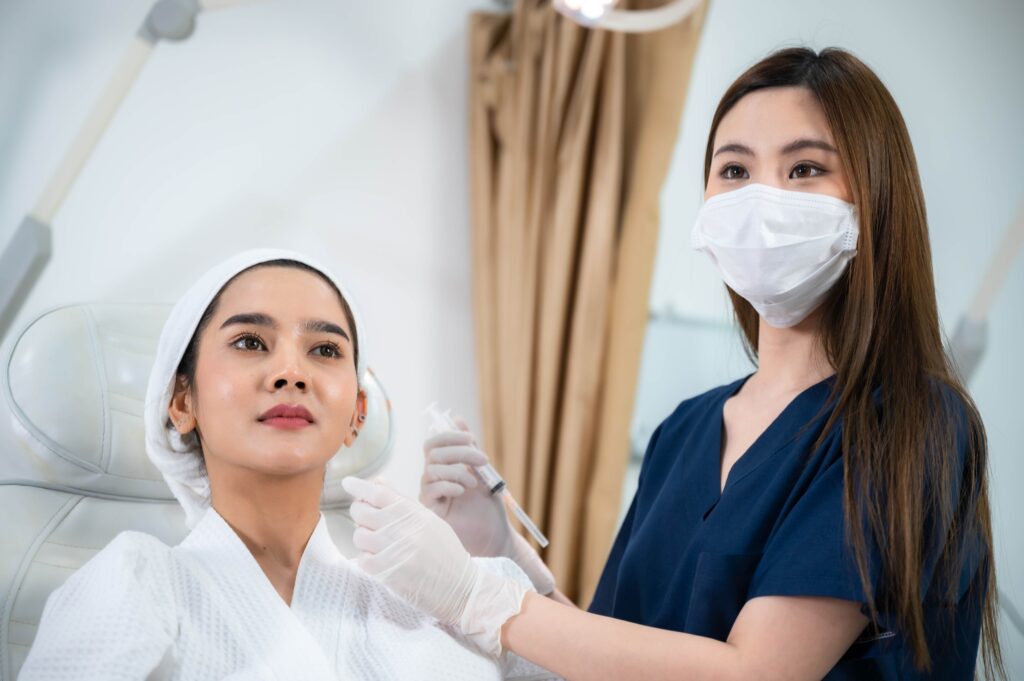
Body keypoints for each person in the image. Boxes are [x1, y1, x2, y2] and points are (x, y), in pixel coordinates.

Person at [341, 48, 1005, 680]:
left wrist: (476, 597)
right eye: (734, 170)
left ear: (875, 198)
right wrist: (505, 553)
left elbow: (756, 671)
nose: (761, 200)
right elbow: (615, 655)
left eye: (804, 168)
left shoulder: (913, 422)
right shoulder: (684, 430)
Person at [20, 249, 556, 680]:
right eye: (251, 342)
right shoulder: (134, 582)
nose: (290, 372)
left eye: (324, 350)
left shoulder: (453, 595)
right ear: (181, 401)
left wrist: (507, 560)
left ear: (356, 414)